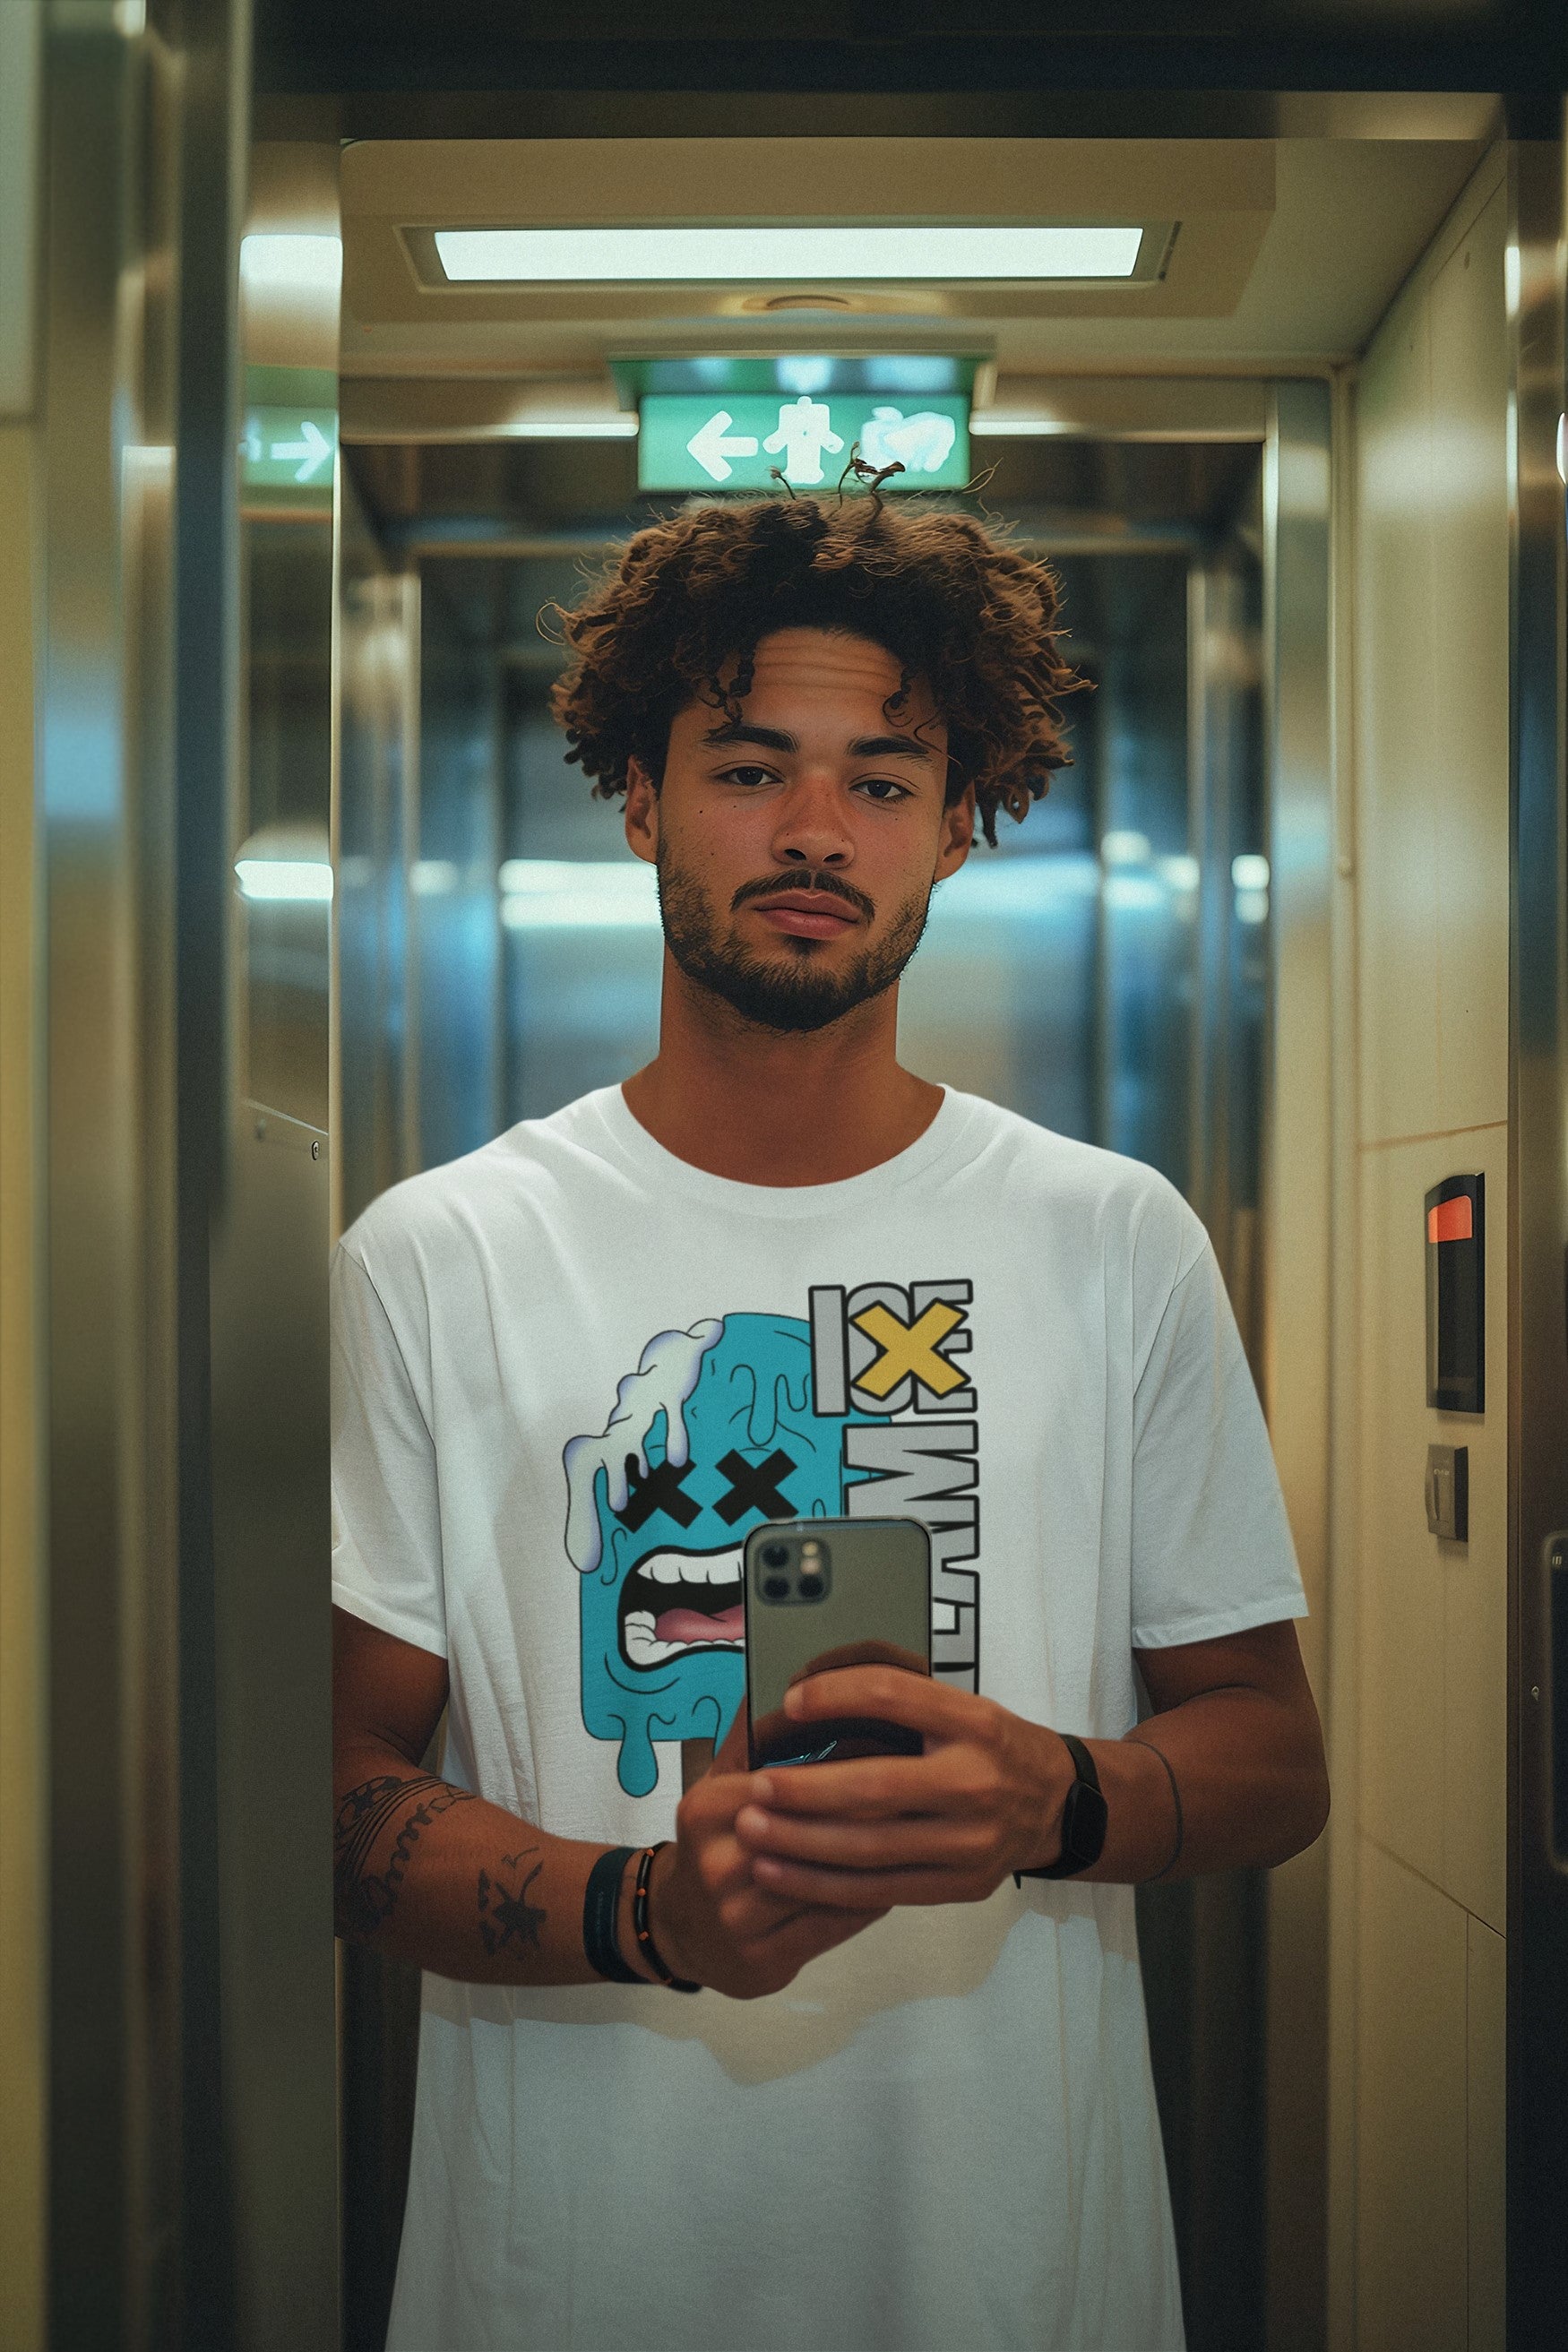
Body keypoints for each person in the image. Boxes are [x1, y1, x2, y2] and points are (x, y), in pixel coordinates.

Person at [331, 486, 1329, 2352]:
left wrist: (1061, 1790)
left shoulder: (1111, 1236)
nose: (811, 829)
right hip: (564, 2278)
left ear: (958, 823)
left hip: (1018, 2268)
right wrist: (650, 1911)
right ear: (635, 793)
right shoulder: (436, 1254)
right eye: (745, 765)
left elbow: (1272, 1751)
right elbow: (328, 1790)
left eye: (881, 777)